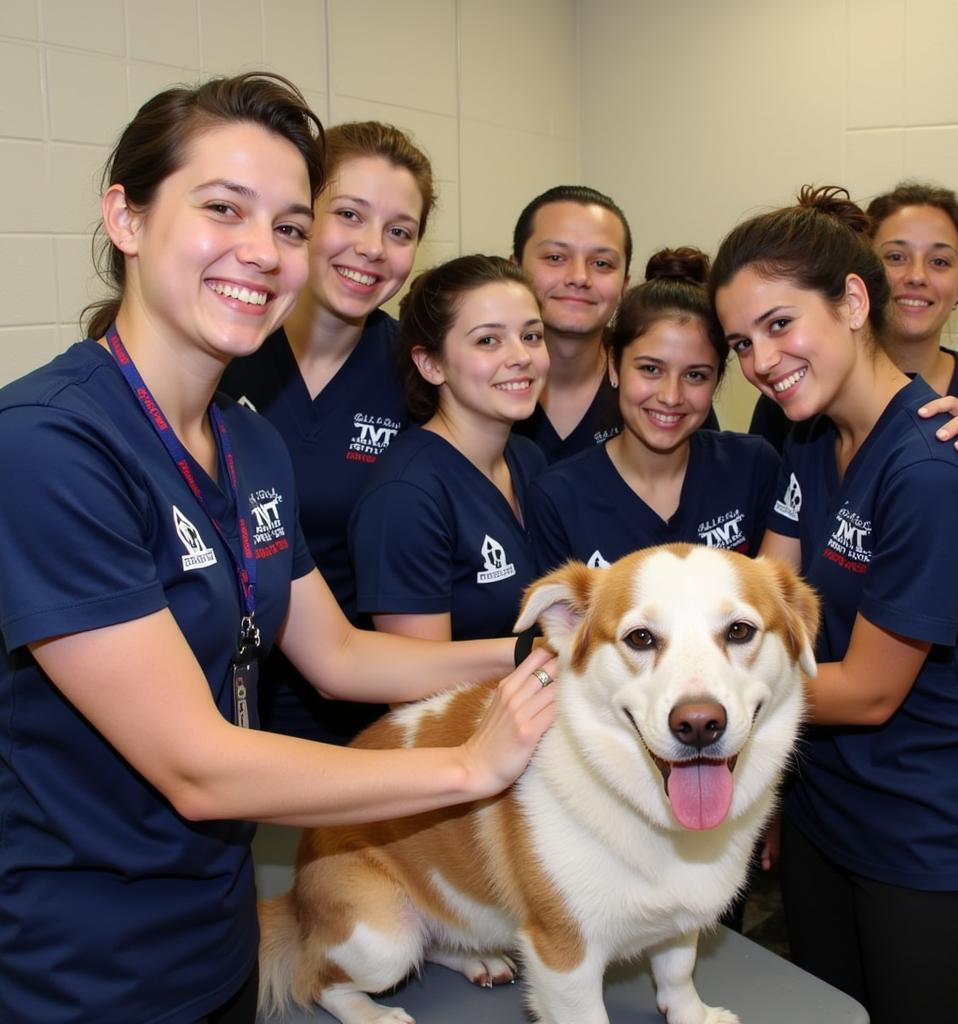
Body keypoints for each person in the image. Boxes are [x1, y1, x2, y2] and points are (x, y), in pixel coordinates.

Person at [0, 73, 556, 1024]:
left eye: (290, 228)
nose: (262, 253)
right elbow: (197, 764)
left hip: (215, 934)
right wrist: (471, 767)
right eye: (224, 209)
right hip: (85, 963)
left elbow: (335, 655)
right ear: (125, 219)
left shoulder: (248, 443)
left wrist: (534, 652)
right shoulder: (48, 444)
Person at [710, 185, 958, 1024]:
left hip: (932, 836)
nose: (761, 362)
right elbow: (766, 602)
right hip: (829, 812)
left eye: (780, 325)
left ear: (853, 301)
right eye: (742, 343)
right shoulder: (811, 437)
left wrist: (699, 697)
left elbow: (872, 689)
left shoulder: (930, 470)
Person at [219, 121, 433, 742]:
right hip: (212, 691)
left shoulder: (417, 374)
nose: (372, 248)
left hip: (359, 698)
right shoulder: (224, 346)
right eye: (348, 214)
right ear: (297, 218)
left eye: (400, 232)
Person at [527, 246, 778, 576]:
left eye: (695, 375)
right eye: (650, 369)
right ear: (614, 366)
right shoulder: (558, 497)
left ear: (717, 380)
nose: (671, 396)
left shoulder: (753, 467)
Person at [348, 254, 549, 642]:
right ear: (431, 364)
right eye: (488, 340)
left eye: (531, 336)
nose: (521, 357)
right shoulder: (406, 496)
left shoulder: (528, 458)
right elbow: (417, 685)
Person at [748, 181, 958, 460]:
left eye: (939, 261)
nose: (917, 276)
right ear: (862, 277)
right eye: (895, 257)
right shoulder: (795, 388)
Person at [510, 185, 721, 464]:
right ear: (514, 270)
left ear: (624, 285)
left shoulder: (661, 393)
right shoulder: (478, 385)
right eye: (555, 258)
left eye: (601, 263)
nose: (579, 277)